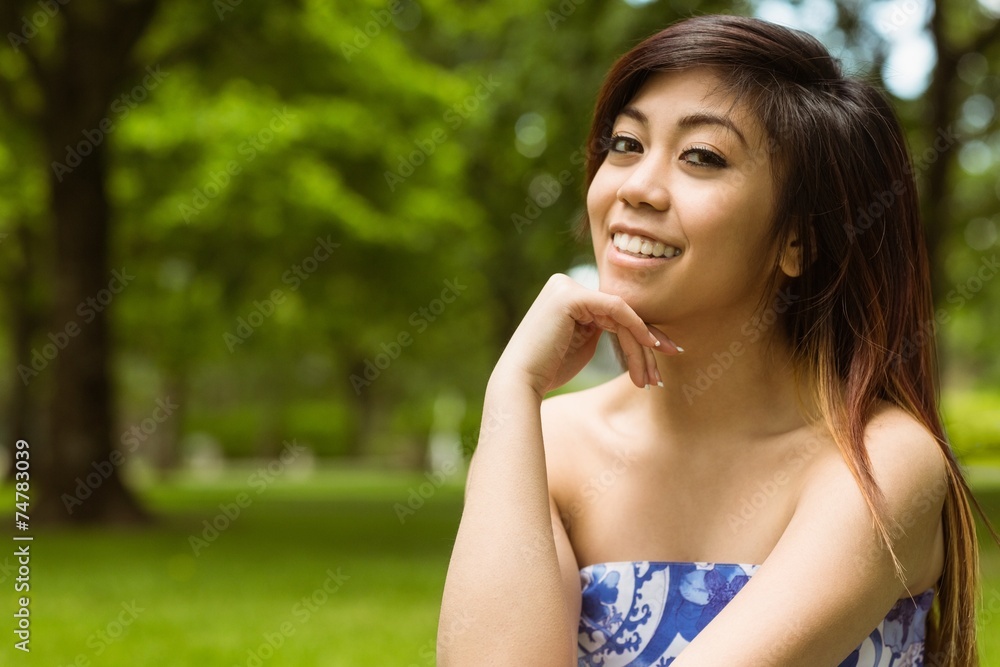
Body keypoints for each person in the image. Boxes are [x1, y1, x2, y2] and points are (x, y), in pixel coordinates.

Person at [438, 14, 991, 666]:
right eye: (625, 144)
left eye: (702, 156)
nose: (637, 187)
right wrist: (511, 390)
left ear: (799, 239)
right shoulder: (552, 446)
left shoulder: (878, 460)